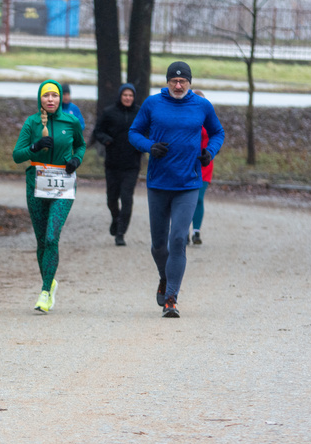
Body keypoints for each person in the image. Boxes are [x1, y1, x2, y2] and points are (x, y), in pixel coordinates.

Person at [129, 62, 224, 318]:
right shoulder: (152, 104)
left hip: (188, 184)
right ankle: (164, 276)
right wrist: (149, 146)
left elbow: (218, 133)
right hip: (159, 183)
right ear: (168, 81)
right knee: (159, 245)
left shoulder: (202, 106)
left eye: (183, 81)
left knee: (178, 240)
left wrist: (209, 153)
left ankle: (171, 297)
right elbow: (134, 132)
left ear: (190, 83)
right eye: (174, 81)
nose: (178, 85)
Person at [12, 80, 86, 313]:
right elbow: (16, 155)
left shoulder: (71, 121)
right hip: (36, 184)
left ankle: (45, 291)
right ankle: (49, 279)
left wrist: (76, 160)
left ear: (61, 97)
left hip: (63, 186)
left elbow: (81, 146)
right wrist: (34, 147)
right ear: (40, 99)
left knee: (52, 237)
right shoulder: (32, 122)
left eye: (55, 95)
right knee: (42, 241)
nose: (51, 99)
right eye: (47, 96)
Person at [92, 83, 142, 246]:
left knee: (127, 198)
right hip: (113, 163)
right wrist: (105, 139)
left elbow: (149, 131)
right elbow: (97, 131)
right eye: (125, 95)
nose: (128, 98)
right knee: (111, 199)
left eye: (131, 96)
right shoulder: (109, 112)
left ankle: (121, 233)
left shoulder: (140, 113)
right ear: (120, 96)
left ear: (134, 97)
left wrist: (142, 145)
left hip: (132, 163)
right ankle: (115, 217)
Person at [190, 89, 214, 245]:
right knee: (183, 199)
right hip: (184, 164)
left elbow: (217, 137)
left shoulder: (210, 120)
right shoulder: (183, 118)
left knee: (198, 199)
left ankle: (196, 231)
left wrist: (210, 152)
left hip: (204, 165)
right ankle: (182, 230)